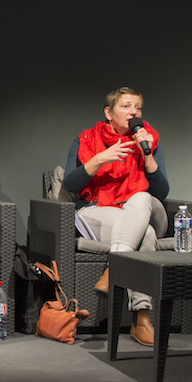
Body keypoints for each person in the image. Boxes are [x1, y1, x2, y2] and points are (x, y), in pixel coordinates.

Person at [63, 86, 170, 347]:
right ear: (108, 113)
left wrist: (146, 154)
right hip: (100, 209)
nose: (133, 112)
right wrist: (100, 159)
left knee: (141, 197)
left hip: (147, 209)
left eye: (138, 108)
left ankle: (115, 268)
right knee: (146, 235)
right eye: (126, 106)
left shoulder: (150, 140)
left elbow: (161, 192)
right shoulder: (86, 140)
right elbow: (71, 184)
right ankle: (141, 319)